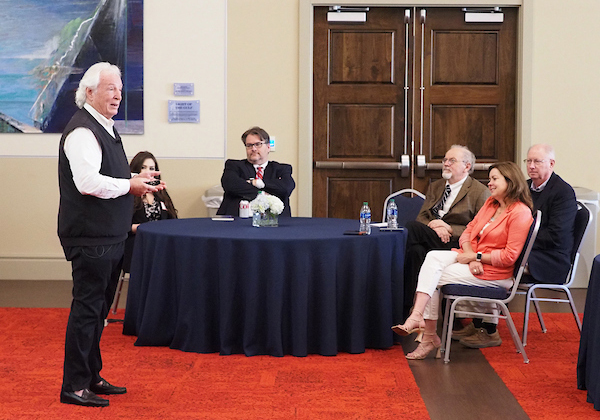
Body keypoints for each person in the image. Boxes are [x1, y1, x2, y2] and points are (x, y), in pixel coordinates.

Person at [58, 62, 165, 407]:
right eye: (110, 88)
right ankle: (74, 385)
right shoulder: (82, 132)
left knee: (99, 312)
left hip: (109, 238)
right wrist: (130, 184)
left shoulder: (106, 127)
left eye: (120, 87)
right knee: (87, 311)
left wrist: (137, 184)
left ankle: (91, 376)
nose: (118, 93)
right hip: (91, 239)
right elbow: (87, 183)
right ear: (89, 92)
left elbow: (111, 178)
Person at [392, 161, 533, 360]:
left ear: (510, 182)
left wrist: (476, 257)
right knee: (431, 257)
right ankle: (419, 319)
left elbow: (510, 256)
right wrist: (471, 256)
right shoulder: (491, 204)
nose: (489, 184)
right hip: (475, 259)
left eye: (494, 179)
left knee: (433, 275)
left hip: (495, 273)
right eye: (489, 179)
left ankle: (426, 333)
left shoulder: (520, 213)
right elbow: (468, 231)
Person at [403, 145, 490, 317]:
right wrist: (435, 224)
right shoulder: (436, 187)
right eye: (444, 160)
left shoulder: (479, 192)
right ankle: (411, 309)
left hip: (457, 242)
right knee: (416, 251)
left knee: (410, 229)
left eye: (452, 160)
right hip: (432, 236)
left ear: (467, 166)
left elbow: (481, 228)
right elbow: (422, 217)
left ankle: (413, 308)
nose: (446, 164)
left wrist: (449, 228)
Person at [524, 144, 577, 283]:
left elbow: (556, 235)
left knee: (503, 261)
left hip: (550, 258)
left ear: (551, 164)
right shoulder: (523, 188)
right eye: (528, 161)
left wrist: (519, 240)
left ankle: (494, 302)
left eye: (537, 161)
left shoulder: (563, 192)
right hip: (528, 249)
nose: (531, 166)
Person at [217, 126, 295, 217]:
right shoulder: (234, 166)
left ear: (268, 147)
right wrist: (264, 194)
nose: (253, 149)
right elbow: (230, 185)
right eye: (249, 145)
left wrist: (256, 183)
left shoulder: (282, 169)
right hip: (237, 220)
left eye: (258, 144)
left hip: (274, 222)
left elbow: (286, 188)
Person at [122, 151, 178, 272]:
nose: (148, 172)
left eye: (152, 168)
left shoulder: (161, 193)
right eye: (143, 168)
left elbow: (173, 219)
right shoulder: (128, 193)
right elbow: (120, 225)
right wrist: (139, 228)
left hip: (160, 242)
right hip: (137, 242)